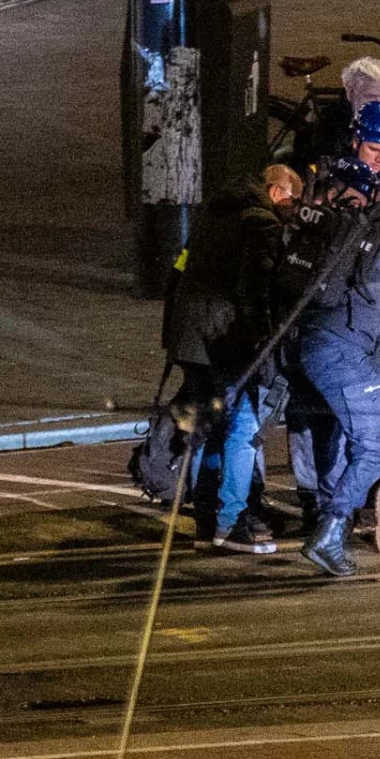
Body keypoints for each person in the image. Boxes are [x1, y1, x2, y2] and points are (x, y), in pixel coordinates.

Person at [286, 157, 380, 577]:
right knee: (374, 448)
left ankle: (326, 517)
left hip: (309, 343)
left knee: (337, 437)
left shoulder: (345, 222)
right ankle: (330, 532)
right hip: (344, 354)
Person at [162, 161, 305, 554]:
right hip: (224, 337)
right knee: (242, 426)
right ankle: (233, 520)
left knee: (205, 427)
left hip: (189, 337)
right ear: (279, 193)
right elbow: (255, 288)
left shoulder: (214, 216)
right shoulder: (262, 225)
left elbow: (178, 272)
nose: (290, 212)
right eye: (290, 203)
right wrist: (261, 337)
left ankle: (205, 523)